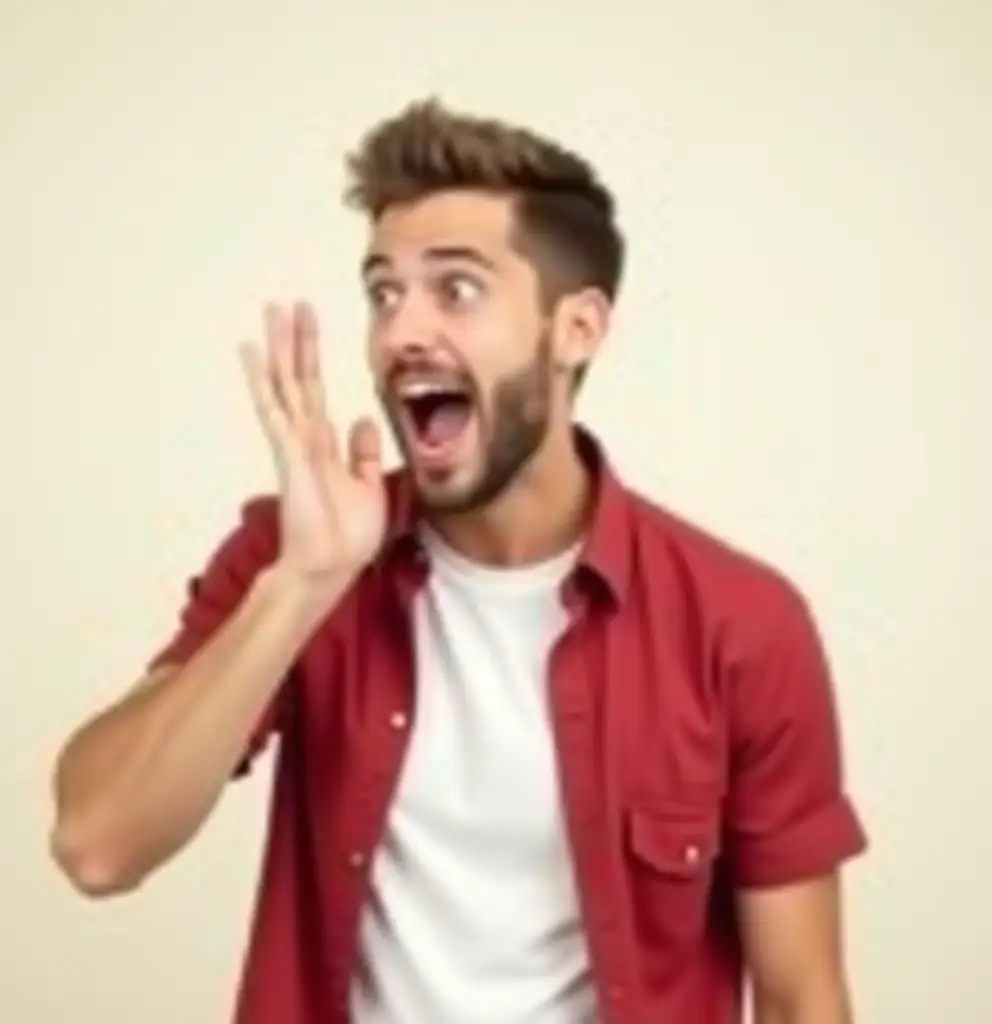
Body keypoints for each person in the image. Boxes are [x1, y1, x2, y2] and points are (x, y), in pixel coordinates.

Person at [48, 98, 868, 1024]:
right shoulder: (295, 562)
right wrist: (300, 587)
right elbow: (97, 844)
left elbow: (804, 995)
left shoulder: (740, 623)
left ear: (577, 330)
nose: (401, 333)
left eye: (458, 289)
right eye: (383, 292)